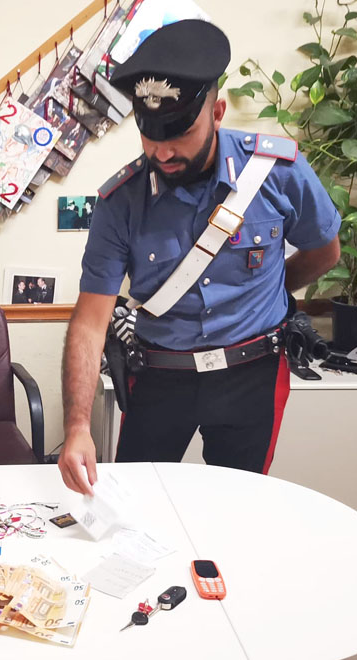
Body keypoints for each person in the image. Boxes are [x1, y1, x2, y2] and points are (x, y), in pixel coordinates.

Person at [58, 20, 341, 495]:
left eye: (180, 132)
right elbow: (89, 322)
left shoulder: (278, 173)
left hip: (252, 374)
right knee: (137, 502)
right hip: (160, 376)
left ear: (218, 112)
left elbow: (325, 252)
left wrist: (269, 290)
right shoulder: (120, 201)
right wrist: (78, 426)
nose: (163, 151)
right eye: (150, 134)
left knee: (238, 503)